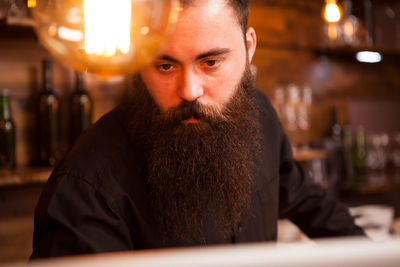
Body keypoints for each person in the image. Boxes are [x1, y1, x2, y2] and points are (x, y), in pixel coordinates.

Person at [30, 0, 363, 259]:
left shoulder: (260, 116)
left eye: (211, 62)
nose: (189, 90)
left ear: (249, 48)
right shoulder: (87, 187)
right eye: (164, 65)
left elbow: (310, 203)